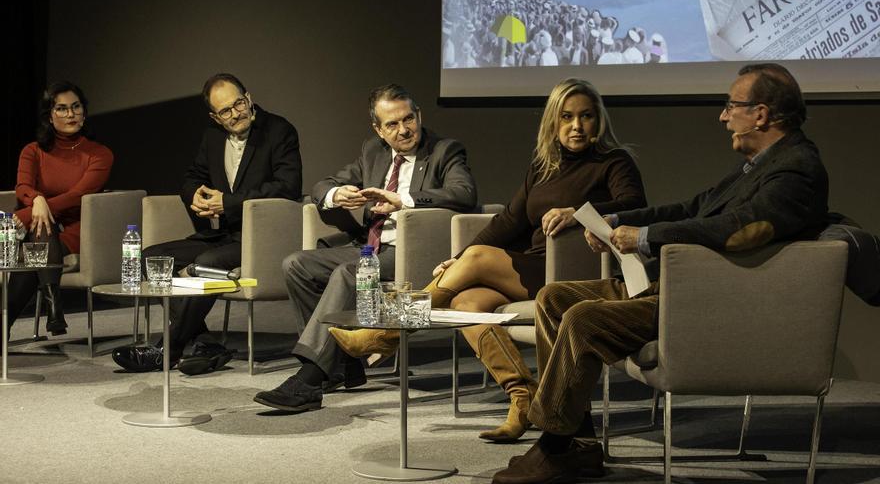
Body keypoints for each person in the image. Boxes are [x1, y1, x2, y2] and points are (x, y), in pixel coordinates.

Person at [492, 63, 830, 483]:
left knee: (582, 319)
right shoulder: (761, 166)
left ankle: (554, 445)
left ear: (760, 114)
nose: (724, 117)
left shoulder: (795, 170)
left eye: (731, 106)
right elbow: (692, 209)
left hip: (716, 303)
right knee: (555, 298)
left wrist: (646, 238)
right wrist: (614, 221)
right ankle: (578, 445)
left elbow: (740, 230)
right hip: (686, 289)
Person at [331, 78, 647, 442]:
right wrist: (457, 260)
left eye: (586, 116)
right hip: (534, 264)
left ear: (598, 120)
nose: (576, 126)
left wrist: (578, 212)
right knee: (468, 303)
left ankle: (385, 333)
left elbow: (634, 207)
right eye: (567, 117)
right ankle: (521, 396)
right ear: (553, 122)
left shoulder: (614, 162)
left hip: (578, 272)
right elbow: (509, 221)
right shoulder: (544, 166)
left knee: (478, 257)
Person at [252, 83, 478, 412]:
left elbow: (464, 193)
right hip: (370, 248)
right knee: (297, 265)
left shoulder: (445, 151)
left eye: (408, 119)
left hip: (411, 255)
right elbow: (322, 185)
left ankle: (312, 377)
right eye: (392, 124)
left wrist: (404, 201)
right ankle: (342, 364)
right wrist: (336, 194)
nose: (403, 130)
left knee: (349, 274)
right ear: (378, 129)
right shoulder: (373, 151)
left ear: (419, 115)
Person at [111, 73, 302, 375]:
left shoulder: (278, 131)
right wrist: (195, 196)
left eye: (239, 103)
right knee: (150, 259)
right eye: (225, 110)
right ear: (215, 116)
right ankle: (204, 341)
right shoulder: (213, 137)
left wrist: (226, 202)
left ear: (248, 97)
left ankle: (167, 348)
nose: (236, 113)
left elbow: (288, 186)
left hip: (261, 241)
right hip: (224, 235)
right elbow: (192, 177)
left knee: (206, 263)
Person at [5, 81, 113, 336]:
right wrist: (38, 202)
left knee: (37, 239)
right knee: (41, 234)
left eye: (76, 107)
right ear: (50, 117)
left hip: (79, 229)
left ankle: (2, 327)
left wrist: (29, 211)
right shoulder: (32, 151)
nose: (70, 114)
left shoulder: (100, 154)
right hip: (41, 229)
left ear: (84, 112)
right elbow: (22, 187)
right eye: (62, 109)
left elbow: (78, 195)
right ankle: (54, 309)